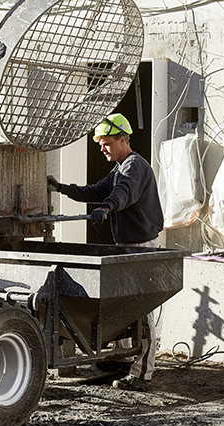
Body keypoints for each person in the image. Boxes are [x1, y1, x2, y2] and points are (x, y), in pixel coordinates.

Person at [47, 113, 163, 391]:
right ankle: (123, 361)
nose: (102, 149)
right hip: (126, 247)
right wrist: (63, 189)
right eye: (100, 143)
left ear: (123, 139)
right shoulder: (120, 167)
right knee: (124, 307)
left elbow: (122, 194)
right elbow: (97, 190)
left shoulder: (134, 167)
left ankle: (142, 373)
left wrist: (108, 207)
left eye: (106, 143)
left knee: (142, 312)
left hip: (141, 249)